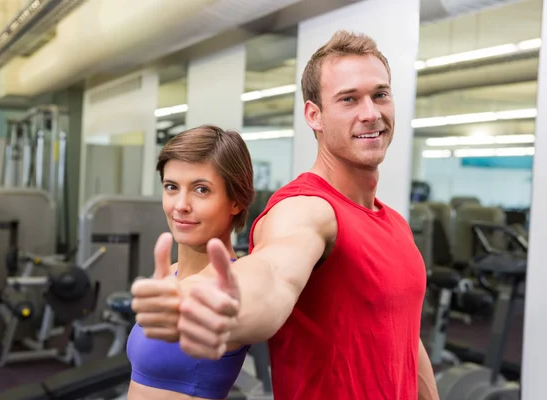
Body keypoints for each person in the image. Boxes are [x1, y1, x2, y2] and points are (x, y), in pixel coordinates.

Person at [131, 30, 440, 400]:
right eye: (348, 99)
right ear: (315, 115)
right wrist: (211, 302)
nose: (370, 113)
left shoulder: (396, 225)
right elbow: (273, 276)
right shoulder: (305, 208)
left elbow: (406, 339)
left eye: (380, 95)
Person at [126, 125, 255, 400]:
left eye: (201, 189)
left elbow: (263, 306)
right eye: (171, 187)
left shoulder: (232, 286)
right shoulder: (170, 274)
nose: (180, 205)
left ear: (236, 201)